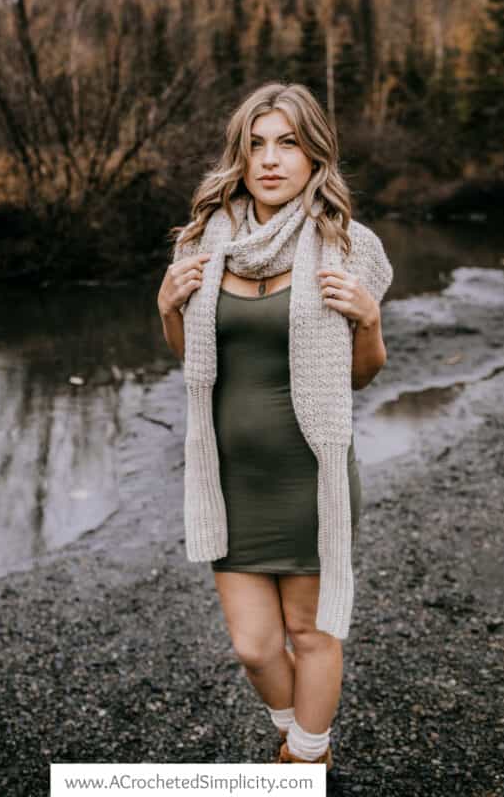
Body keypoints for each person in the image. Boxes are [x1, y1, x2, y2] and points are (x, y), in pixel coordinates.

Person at [156, 81, 393, 769]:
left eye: (287, 142)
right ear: (238, 155)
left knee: (309, 634)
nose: (269, 159)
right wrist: (167, 307)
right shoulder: (201, 243)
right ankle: (296, 733)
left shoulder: (347, 245)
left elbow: (362, 373)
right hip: (230, 480)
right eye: (255, 144)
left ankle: (304, 761)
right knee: (254, 646)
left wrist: (368, 318)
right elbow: (194, 363)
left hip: (307, 477)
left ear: (314, 154)